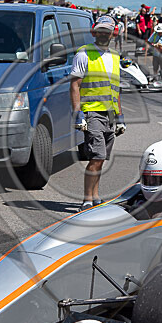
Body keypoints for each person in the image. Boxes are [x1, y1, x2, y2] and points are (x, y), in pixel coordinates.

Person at [70, 15, 126, 211]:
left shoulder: (115, 56)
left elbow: (115, 89)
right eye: (100, 31)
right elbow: (75, 85)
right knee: (96, 157)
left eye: (107, 32)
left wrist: (120, 117)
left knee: (101, 159)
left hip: (109, 114)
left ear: (113, 34)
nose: (103, 34)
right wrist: (78, 114)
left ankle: (95, 197)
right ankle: (87, 199)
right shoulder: (84, 54)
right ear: (94, 32)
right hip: (92, 112)